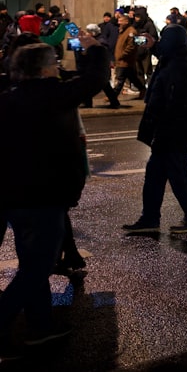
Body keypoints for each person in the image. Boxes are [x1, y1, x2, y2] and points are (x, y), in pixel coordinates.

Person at [0, 37, 108, 355]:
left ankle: (40, 326)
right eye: (54, 64)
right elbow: (96, 79)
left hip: (13, 198)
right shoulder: (53, 95)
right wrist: (96, 48)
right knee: (37, 267)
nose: (57, 69)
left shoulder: (7, 98)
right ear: (46, 69)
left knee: (31, 264)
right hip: (45, 197)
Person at [122, 24, 187, 235]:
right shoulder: (180, 58)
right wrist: (153, 46)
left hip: (172, 130)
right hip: (172, 128)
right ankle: (150, 218)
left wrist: (159, 126)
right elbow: (170, 54)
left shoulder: (178, 67)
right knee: (155, 174)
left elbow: (172, 102)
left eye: (163, 40)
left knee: (179, 174)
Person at [113, 11, 146, 98]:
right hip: (122, 60)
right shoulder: (122, 31)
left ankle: (112, 96)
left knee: (120, 79)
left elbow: (131, 47)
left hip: (125, 60)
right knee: (132, 78)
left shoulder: (131, 32)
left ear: (126, 21)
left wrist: (122, 55)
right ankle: (143, 89)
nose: (118, 23)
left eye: (121, 21)